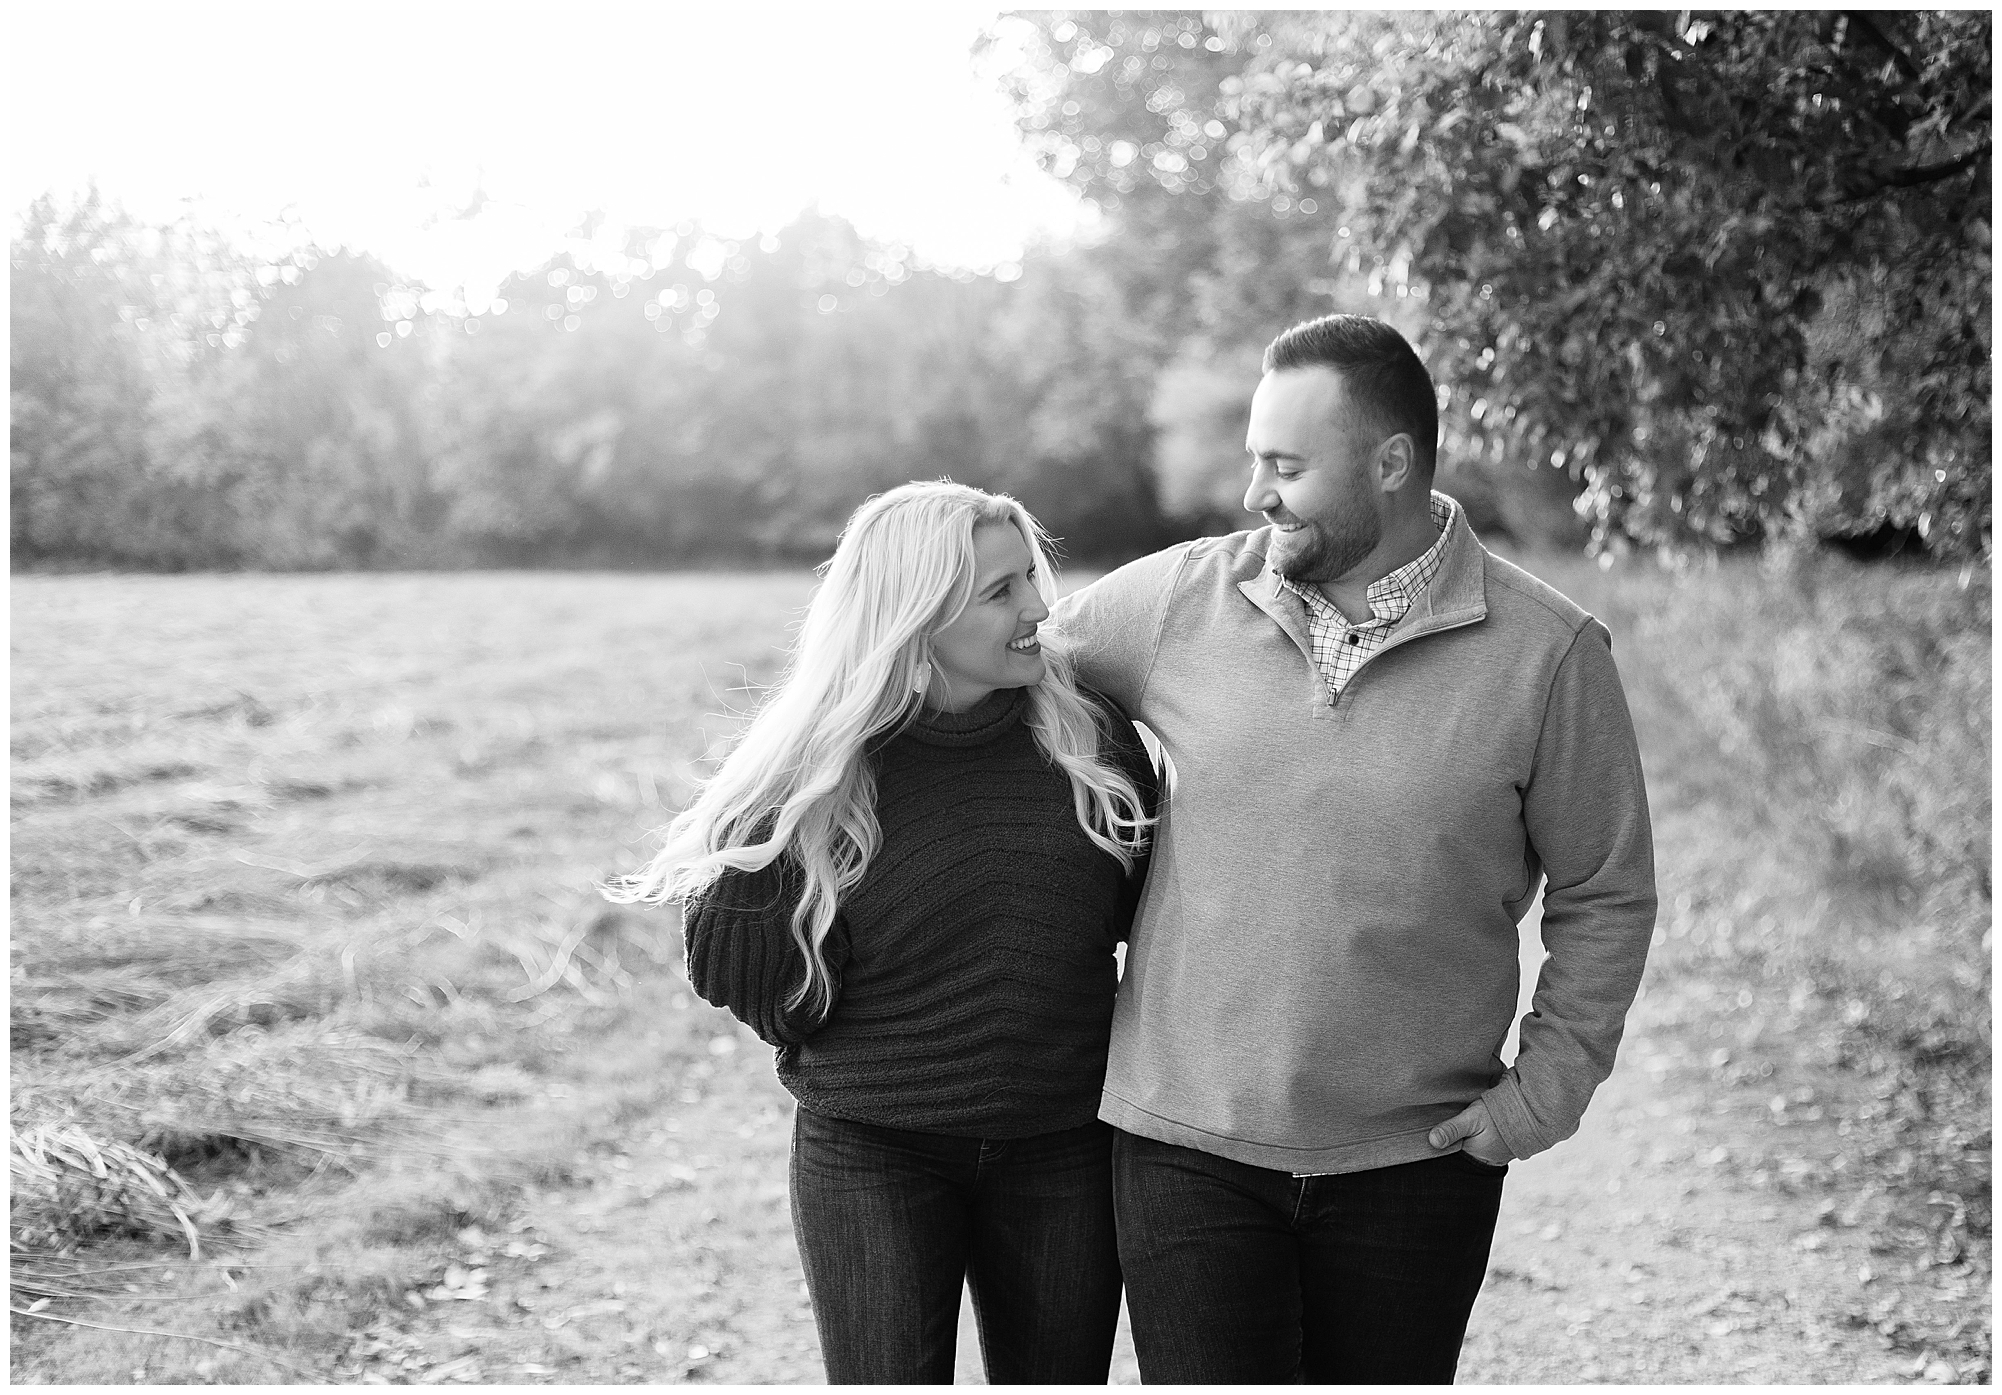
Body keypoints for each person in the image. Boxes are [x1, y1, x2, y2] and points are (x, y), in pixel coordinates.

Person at [1049, 313, 1658, 1383]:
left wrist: (1543, 1094)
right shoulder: (1177, 601)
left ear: (1390, 463)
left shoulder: (1547, 653)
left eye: (1286, 466)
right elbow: (998, 665)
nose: (1255, 493)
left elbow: (1605, 889)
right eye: (1255, 460)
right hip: (1186, 1152)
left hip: (1415, 1167)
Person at [605, 481, 1157, 1385]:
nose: (1039, 608)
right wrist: (861, 1036)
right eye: (1001, 591)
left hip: (1064, 1144)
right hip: (874, 1152)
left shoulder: (1092, 741)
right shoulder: (815, 774)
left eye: (1030, 577)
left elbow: (1147, 919)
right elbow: (743, 977)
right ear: (917, 617)